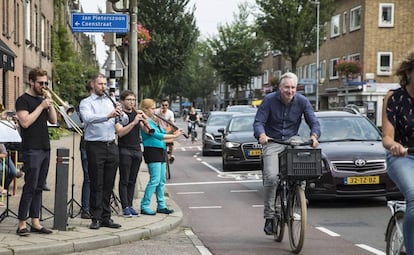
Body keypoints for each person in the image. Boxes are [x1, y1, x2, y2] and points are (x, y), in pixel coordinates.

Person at [253, 72, 320, 235]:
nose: (290, 91)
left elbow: (314, 121)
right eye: (286, 87)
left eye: (293, 88)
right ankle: (269, 217)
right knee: (270, 176)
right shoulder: (269, 100)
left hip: (292, 140)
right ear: (280, 88)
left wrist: (314, 135)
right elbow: (258, 122)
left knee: (303, 167)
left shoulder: (302, 101)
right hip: (273, 141)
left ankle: (299, 196)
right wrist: (261, 135)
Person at [79, 73, 128, 230]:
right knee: (96, 183)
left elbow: (124, 120)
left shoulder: (110, 101)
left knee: (108, 183)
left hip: (111, 145)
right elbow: (87, 118)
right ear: (93, 84)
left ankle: (106, 217)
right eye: (100, 84)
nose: (103, 87)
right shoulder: (86, 102)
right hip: (94, 146)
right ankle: (96, 217)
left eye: (105, 84)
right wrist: (108, 116)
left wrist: (121, 114)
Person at [15, 67, 58, 236]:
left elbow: (53, 120)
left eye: (46, 83)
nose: (44, 86)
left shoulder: (43, 99)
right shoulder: (23, 100)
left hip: (45, 147)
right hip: (31, 148)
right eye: (41, 83)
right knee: (30, 186)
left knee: (40, 186)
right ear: (31, 82)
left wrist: (50, 104)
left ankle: (36, 222)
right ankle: (21, 224)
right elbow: (25, 122)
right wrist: (41, 106)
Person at [382, 50, 414, 255]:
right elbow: (386, 137)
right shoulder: (395, 98)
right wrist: (394, 145)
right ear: (409, 72)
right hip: (403, 156)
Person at [139, 98, 181, 215]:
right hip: (152, 151)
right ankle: (145, 205)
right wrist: (174, 136)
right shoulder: (144, 122)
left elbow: (163, 132)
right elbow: (157, 135)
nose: (154, 110)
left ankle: (161, 205)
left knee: (162, 180)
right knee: (155, 179)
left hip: (161, 150)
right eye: (152, 108)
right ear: (145, 109)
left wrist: (173, 129)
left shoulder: (153, 120)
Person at [115, 90, 145, 217]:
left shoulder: (137, 113)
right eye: (129, 99)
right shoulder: (119, 115)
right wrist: (133, 122)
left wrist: (145, 119)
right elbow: (120, 132)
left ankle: (131, 205)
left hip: (137, 149)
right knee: (124, 179)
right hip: (124, 150)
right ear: (122, 101)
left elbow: (147, 130)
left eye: (133, 100)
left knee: (133, 180)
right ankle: (125, 206)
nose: (131, 102)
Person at [79, 80, 93, 219]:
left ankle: (94, 206)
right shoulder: (85, 103)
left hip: (101, 144)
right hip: (86, 144)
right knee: (88, 177)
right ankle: (86, 208)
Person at [155, 99, 176, 163]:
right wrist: (160, 113)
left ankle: (171, 156)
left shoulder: (170, 113)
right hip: (159, 129)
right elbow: (155, 121)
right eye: (163, 105)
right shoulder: (156, 111)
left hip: (167, 129)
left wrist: (173, 129)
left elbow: (172, 122)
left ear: (168, 106)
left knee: (171, 142)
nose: (164, 107)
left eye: (166, 105)